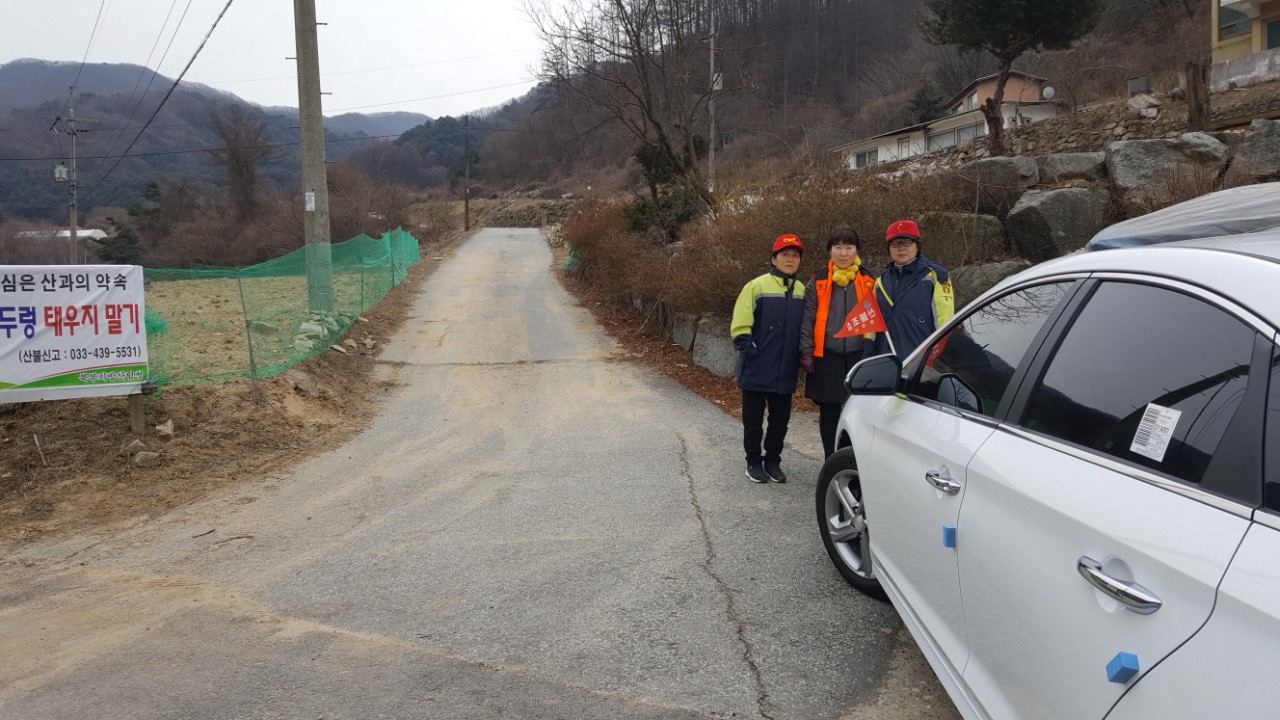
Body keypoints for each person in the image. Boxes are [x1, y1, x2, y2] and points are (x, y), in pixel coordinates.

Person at [730, 233, 807, 484]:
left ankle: (773, 461)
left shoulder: (802, 290)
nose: (790, 259)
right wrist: (751, 350)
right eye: (785, 254)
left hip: (786, 368)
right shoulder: (756, 286)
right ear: (774, 259)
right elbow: (740, 325)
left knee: (780, 421)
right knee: (753, 420)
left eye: (795, 255)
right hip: (757, 365)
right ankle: (753, 462)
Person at [799, 226, 876, 459]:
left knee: (858, 414)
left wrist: (872, 352)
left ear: (857, 250)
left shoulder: (869, 280)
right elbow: (807, 318)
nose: (843, 253)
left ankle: (852, 462)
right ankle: (830, 462)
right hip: (827, 355)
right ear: (829, 250)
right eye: (838, 247)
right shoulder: (819, 280)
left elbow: (877, 319)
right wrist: (806, 350)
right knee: (829, 413)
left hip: (859, 355)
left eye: (849, 247)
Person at [873, 219, 954, 360]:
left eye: (907, 242)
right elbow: (873, 325)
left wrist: (937, 357)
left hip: (921, 361)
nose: (901, 248)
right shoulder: (880, 281)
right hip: (886, 361)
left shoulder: (935, 275)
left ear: (917, 245)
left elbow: (945, 322)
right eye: (895, 243)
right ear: (889, 248)